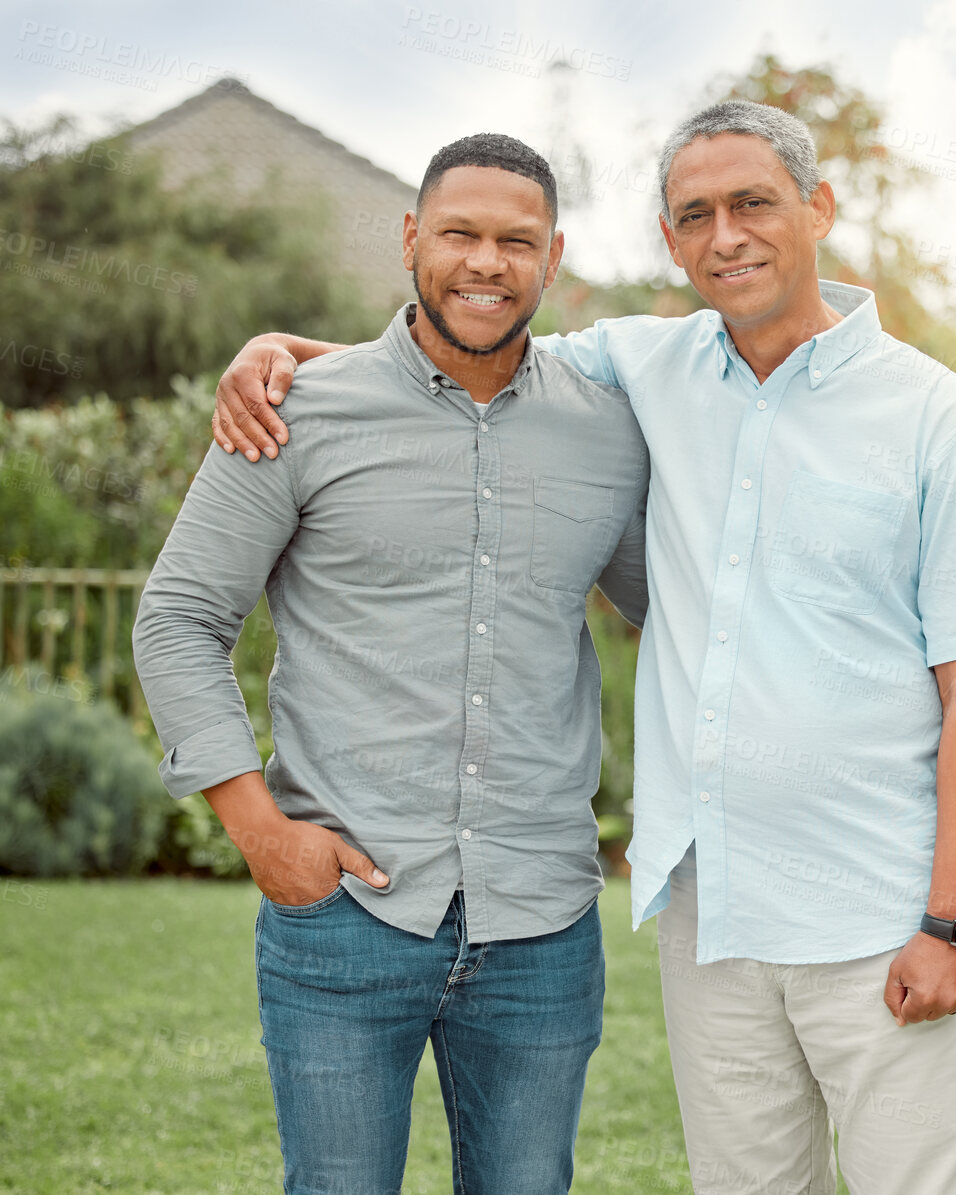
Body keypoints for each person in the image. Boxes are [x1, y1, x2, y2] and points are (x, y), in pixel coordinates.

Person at [207, 100, 956, 1195]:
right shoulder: (642, 366)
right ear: (669, 240)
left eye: (752, 203)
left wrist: (953, 922)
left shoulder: (938, 419)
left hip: (882, 916)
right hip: (713, 916)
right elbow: (466, 347)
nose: (726, 236)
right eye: (694, 215)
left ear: (818, 207)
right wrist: (283, 355)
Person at [132, 135, 649, 1193]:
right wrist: (258, 830)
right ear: (411, 237)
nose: (485, 262)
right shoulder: (294, 411)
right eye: (458, 232)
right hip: (346, 917)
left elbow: (683, 617)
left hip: (542, 919)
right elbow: (179, 617)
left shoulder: (609, 431)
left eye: (516, 240)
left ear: (554, 257)